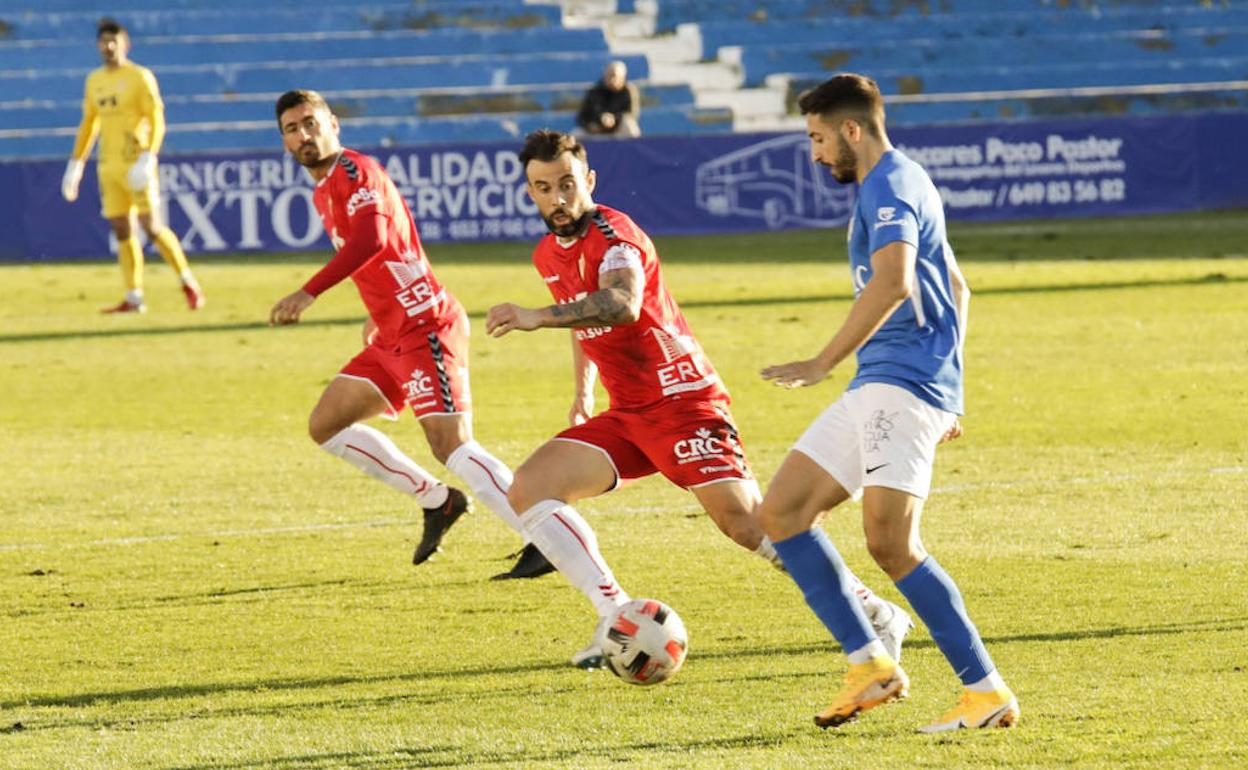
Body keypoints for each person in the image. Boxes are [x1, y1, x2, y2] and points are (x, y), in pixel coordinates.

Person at [485, 129, 910, 668]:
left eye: (567, 184)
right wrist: (582, 391)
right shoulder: (547, 252)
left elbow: (620, 302)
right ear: (530, 192)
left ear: (588, 181)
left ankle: (875, 612)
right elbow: (581, 313)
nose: (558, 198)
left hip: (682, 401)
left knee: (750, 526)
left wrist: (534, 317)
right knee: (530, 489)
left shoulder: (617, 235)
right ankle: (617, 617)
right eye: (544, 187)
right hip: (629, 412)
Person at [756, 73, 1018, 732]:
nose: (815, 155)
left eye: (818, 139)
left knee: (891, 544)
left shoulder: (893, 185)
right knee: (782, 512)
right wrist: (951, 391)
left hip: (898, 385)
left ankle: (985, 691)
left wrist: (821, 361)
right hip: (887, 382)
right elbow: (957, 286)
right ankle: (869, 664)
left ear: (851, 130)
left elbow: (897, 282)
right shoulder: (899, 181)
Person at [268, 89, 542, 568]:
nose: (304, 135)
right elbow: (389, 253)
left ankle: (545, 535)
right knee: (326, 424)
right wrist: (376, 315)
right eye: (292, 129)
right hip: (392, 333)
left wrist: (308, 292)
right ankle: (439, 501)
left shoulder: (356, 172)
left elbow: (373, 238)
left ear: (333, 123)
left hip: (426, 325)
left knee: (451, 444)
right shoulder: (322, 188)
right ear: (285, 143)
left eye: (310, 122)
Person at [61, 17, 204, 314]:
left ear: (125, 44)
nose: (108, 46)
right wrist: (76, 163)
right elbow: (89, 123)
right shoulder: (94, 80)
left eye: (114, 40)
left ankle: (187, 281)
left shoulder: (140, 77)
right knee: (120, 228)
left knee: (151, 226)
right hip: (108, 164)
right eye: (103, 41)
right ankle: (134, 297)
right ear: (98, 46)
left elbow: (156, 118)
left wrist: (149, 154)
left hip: (136, 161)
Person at [575, 60, 640, 138]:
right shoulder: (594, 91)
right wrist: (592, 125)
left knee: (631, 127)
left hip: (618, 130)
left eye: (614, 76)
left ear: (623, 77)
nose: (611, 79)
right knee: (576, 134)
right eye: (608, 75)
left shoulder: (629, 91)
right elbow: (582, 116)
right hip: (596, 130)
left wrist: (614, 119)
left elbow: (631, 114)